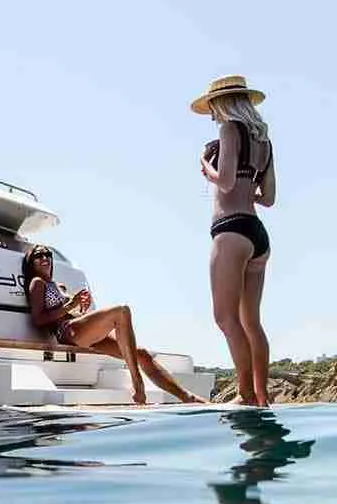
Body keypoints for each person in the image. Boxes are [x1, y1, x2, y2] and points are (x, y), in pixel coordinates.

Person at [21, 245, 206, 405]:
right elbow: (38, 320)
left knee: (142, 354)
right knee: (121, 311)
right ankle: (137, 383)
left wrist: (81, 307)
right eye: (38, 255)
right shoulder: (37, 283)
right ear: (32, 262)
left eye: (47, 254)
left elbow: (72, 311)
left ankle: (187, 397)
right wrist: (70, 304)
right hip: (66, 332)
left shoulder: (58, 285)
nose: (44, 258)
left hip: (79, 329)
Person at [193, 75, 276, 406]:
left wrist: (205, 166)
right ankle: (262, 395)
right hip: (257, 233)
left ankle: (243, 394)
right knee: (251, 322)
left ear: (220, 103)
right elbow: (268, 198)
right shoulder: (264, 142)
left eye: (213, 107)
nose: (212, 114)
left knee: (225, 317)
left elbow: (224, 182)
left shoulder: (228, 130)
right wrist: (246, 184)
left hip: (231, 231)